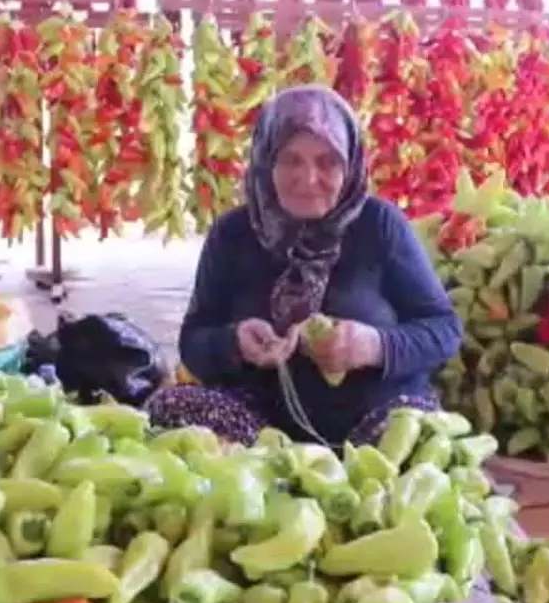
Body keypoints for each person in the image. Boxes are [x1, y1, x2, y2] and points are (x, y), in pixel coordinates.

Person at [145, 84, 462, 447]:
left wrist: (374, 345)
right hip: (259, 422)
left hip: (374, 413)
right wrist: (235, 343)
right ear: (266, 161)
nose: (308, 179)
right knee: (169, 407)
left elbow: (444, 330)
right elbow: (193, 341)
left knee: (411, 435)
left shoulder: (380, 225)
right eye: (291, 160)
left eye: (328, 162)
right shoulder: (232, 233)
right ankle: (274, 468)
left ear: (351, 163)